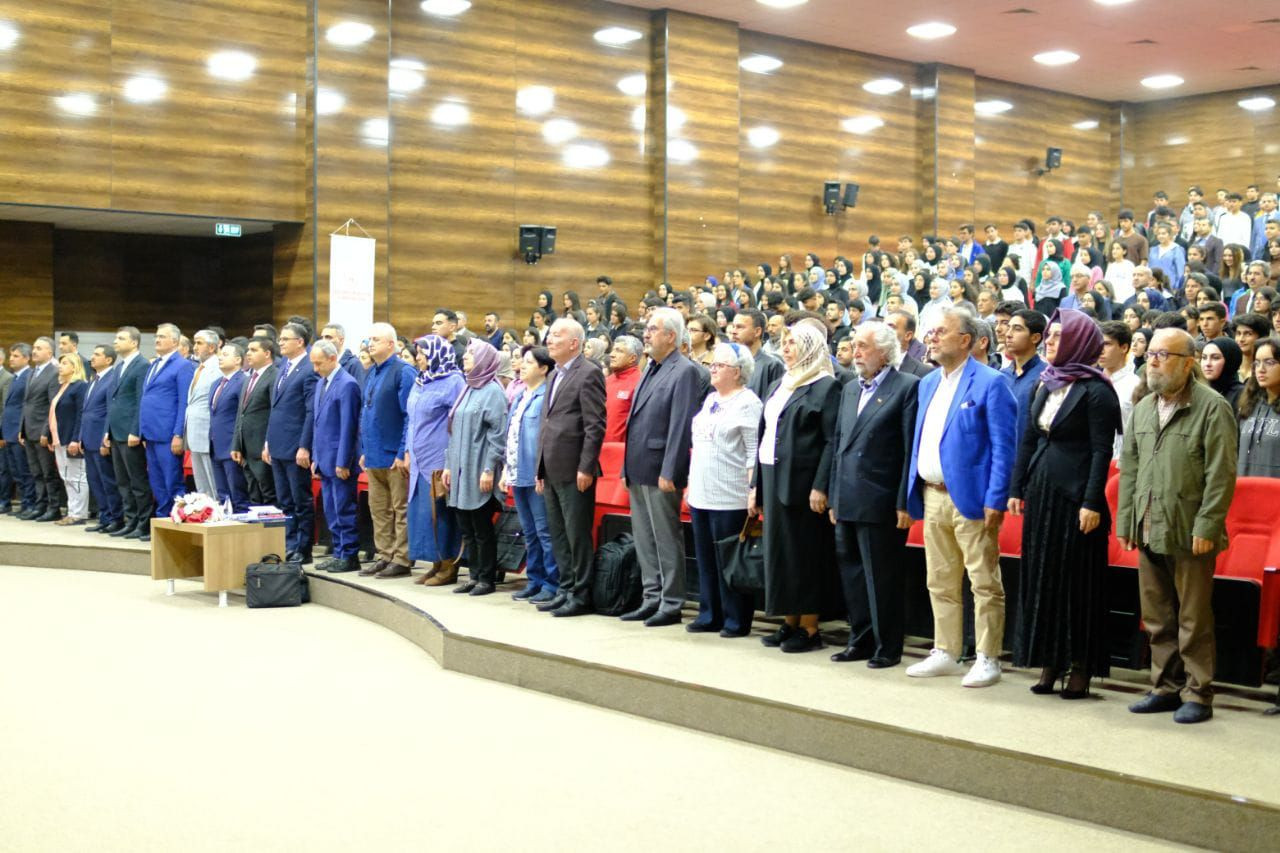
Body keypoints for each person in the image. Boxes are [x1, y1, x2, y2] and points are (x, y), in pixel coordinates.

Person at [1118, 328, 1236, 724]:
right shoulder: (1144, 408)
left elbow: (1221, 474)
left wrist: (1208, 525)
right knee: (1157, 617)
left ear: (1188, 363)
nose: (1152, 361)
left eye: (1163, 355)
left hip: (1190, 529)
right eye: (1151, 353)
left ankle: (1198, 693)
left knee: (1193, 618)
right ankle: (1165, 687)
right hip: (1149, 525)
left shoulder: (1212, 407)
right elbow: (1130, 469)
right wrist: (1127, 521)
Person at [1007, 310, 1121, 698]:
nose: (1050, 341)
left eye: (1058, 336)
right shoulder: (1046, 383)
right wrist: (1017, 487)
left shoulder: (1097, 390)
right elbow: (1029, 438)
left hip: (1077, 497)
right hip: (1042, 490)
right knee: (1044, 577)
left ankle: (1081, 667)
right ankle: (1049, 660)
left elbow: (1101, 450)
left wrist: (1092, 501)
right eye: (1050, 335)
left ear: (1077, 342)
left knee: (1076, 583)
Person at [905, 308, 1017, 686]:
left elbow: (1004, 447)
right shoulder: (926, 383)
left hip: (972, 497)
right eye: (930, 332)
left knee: (983, 582)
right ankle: (946, 651)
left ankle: (987, 656)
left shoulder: (991, 383)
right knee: (939, 579)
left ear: (966, 340)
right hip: (932, 493)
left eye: (941, 331)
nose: (932, 338)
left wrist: (996, 498)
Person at [827, 323, 919, 668]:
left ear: (884, 351)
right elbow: (839, 445)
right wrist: (834, 494)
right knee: (852, 574)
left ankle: (888, 645)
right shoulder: (850, 388)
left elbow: (909, 450)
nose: (856, 352)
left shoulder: (906, 386)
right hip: (847, 496)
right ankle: (861, 639)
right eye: (854, 345)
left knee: (882, 577)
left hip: (880, 498)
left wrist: (904, 501)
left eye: (863, 346)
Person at [749, 322, 841, 653]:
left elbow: (831, 441)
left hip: (804, 483)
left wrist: (821, 485)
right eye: (784, 343)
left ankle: (810, 627)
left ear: (811, 348)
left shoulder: (826, 386)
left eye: (793, 343)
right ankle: (789, 621)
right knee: (782, 554)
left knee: (806, 553)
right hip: (773, 475)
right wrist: (756, 485)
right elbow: (764, 435)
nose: (785, 348)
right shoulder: (780, 383)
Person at [620, 307, 703, 627]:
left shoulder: (684, 371)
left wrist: (671, 469)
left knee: (665, 538)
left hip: (661, 469)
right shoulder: (650, 367)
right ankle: (651, 596)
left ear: (671, 336)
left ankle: (671, 601)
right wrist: (626, 466)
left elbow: (681, 425)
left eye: (653, 329)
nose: (646, 333)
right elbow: (635, 420)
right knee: (644, 537)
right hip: (639, 465)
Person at [686, 342, 761, 636]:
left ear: (738, 372)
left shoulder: (748, 403)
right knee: (705, 559)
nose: (713, 369)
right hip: (701, 492)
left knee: (729, 560)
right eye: (712, 364)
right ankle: (709, 613)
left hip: (730, 495)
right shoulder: (710, 399)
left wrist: (753, 489)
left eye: (720, 365)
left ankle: (735, 619)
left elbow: (753, 452)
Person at [536, 318, 607, 617]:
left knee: (577, 535)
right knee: (559, 534)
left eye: (556, 335)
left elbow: (595, 426)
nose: (549, 340)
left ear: (574, 343)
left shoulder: (588, 372)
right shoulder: (554, 374)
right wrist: (539, 468)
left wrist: (586, 467)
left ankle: (581, 593)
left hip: (574, 468)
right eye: (549, 335)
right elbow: (547, 422)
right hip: (551, 467)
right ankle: (565, 588)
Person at [443, 340, 507, 596]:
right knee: (466, 527)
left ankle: (486, 579)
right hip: (460, 469)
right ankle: (473, 575)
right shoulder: (468, 387)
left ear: (484, 360)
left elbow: (498, 435)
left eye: (471, 353)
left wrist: (489, 469)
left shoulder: (493, 391)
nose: (465, 357)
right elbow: (452, 432)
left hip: (479, 469)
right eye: (466, 352)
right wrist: (448, 466)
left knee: (482, 528)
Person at [405, 335, 466, 585]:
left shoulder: (454, 381)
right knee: (423, 515)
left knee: (441, 514)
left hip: (438, 460)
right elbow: (411, 419)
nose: (418, 357)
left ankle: (449, 565)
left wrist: (451, 460)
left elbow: (457, 423)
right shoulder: (420, 380)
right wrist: (407, 451)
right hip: (418, 460)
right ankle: (435, 563)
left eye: (423, 353)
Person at [358, 322, 417, 579]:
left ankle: (402, 558)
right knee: (379, 510)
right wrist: (364, 449)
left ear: (391, 344)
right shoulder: (372, 371)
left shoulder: (403, 372)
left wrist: (402, 451)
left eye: (376, 340)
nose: (370, 344)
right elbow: (368, 412)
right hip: (374, 453)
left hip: (394, 454)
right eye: (369, 340)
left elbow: (409, 416)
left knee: (400, 509)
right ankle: (385, 555)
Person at [501, 346, 559, 602]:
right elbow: (511, 437)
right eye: (521, 361)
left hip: (536, 474)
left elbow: (546, 440)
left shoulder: (547, 397)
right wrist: (505, 469)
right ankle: (534, 580)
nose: (522, 366)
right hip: (517, 472)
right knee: (529, 531)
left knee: (545, 531)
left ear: (544, 368)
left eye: (529, 362)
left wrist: (542, 471)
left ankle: (552, 583)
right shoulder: (520, 396)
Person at [303, 341, 362, 573]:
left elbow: (349, 426)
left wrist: (343, 461)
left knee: (344, 509)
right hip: (324, 458)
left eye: (319, 363)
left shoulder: (347, 384)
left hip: (339, 460)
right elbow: (318, 423)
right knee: (331, 510)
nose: (315, 369)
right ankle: (338, 551)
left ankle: (349, 554)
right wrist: (316, 457)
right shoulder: (321, 383)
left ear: (332, 358)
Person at [265, 323, 318, 563]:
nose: (281, 342)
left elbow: (310, 411)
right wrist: (268, 441)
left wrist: (305, 446)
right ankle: (289, 544)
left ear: (300, 342)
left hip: (296, 446)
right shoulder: (283, 366)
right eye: (281, 338)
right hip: (278, 444)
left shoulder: (308, 369)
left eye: (286, 339)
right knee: (284, 501)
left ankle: (303, 549)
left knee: (300, 501)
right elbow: (275, 408)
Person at [139, 324, 195, 520]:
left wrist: (178, 434)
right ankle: (162, 521)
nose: (157, 339)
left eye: (162, 336)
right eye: (156, 336)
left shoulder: (183, 365)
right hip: (151, 433)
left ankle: (177, 520)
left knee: (172, 482)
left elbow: (183, 402)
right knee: (157, 483)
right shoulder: (154, 364)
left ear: (175, 341)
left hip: (168, 433)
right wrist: (142, 431)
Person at [104, 327, 152, 537]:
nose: (116, 341)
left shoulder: (142, 365)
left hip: (130, 433)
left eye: (121, 338)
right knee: (123, 482)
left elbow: (141, 400)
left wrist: (136, 430)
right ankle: (130, 521)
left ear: (134, 343)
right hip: (116, 432)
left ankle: (144, 523)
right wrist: (107, 430)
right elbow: (113, 401)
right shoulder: (119, 367)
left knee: (137, 481)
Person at [76, 344, 123, 533]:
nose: (92, 358)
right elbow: (86, 411)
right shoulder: (94, 379)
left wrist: (106, 436)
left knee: (107, 481)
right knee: (95, 481)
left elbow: (110, 411)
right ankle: (104, 517)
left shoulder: (112, 379)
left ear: (109, 360)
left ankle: (115, 518)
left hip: (100, 439)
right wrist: (80, 436)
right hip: (88, 438)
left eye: (97, 354)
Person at [232, 337, 279, 507]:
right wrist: (236, 444)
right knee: (253, 494)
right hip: (246, 448)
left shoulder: (274, 376)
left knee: (268, 494)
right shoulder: (249, 378)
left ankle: (272, 525)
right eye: (248, 350)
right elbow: (241, 413)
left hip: (262, 447)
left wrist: (268, 443)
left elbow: (275, 412)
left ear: (267, 353)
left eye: (253, 350)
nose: (248, 353)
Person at [20, 336, 63, 522]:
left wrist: (47, 432)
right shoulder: (32, 372)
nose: (34, 351)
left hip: (42, 430)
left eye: (39, 348)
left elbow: (52, 405)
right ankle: (40, 505)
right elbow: (27, 403)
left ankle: (54, 508)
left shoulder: (54, 373)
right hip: (29, 429)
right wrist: (21, 428)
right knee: (36, 472)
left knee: (48, 473)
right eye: (34, 347)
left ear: (49, 352)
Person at [46, 353, 89, 525]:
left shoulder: (80, 386)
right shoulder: (62, 386)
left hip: (71, 438)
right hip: (59, 438)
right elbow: (54, 414)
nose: (60, 366)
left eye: (65, 363)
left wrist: (76, 439)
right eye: (60, 363)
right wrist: (51, 436)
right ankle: (72, 511)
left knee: (77, 477)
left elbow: (80, 414)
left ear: (74, 367)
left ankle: (79, 514)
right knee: (66, 476)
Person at [208, 343, 249, 513]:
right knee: (222, 495)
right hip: (215, 445)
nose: (220, 357)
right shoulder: (216, 383)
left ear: (238, 359)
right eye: (220, 354)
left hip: (232, 446)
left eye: (225, 354)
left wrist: (238, 444)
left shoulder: (243, 381)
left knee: (237, 494)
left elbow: (242, 416)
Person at [183, 330, 221, 499]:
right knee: (201, 484)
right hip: (194, 429)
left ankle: (216, 510)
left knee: (213, 482)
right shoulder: (199, 368)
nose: (195, 347)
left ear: (212, 347)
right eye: (195, 343)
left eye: (199, 343)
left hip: (207, 430)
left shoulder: (218, 367)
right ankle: (204, 509)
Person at [1237, 337, 1280, 478]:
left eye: (1269, 362)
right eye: (1257, 363)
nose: (1261, 369)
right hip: (1245, 488)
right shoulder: (1248, 405)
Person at [1098, 322, 1140, 462]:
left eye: (1107, 344)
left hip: (1123, 461)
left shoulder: (1135, 386)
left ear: (1124, 347)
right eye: (1098, 343)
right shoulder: (1091, 382)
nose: (1100, 350)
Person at [2, 345, 35, 516]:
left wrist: (22, 429)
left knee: (24, 470)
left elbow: (25, 406)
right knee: (15, 471)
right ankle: (24, 503)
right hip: (9, 430)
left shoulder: (28, 376)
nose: (12, 359)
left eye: (16, 356)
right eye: (11, 355)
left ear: (26, 358)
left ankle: (30, 504)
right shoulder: (15, 378)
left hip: (19, 430)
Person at [604, 335, 642, 444]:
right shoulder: (607, 380)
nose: (612, 355)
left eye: (619, 351)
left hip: (622, 450)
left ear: (632, 358)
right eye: (613, 350)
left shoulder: (640, 383)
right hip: (599, 448)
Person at [1201, 338, 1244, 411]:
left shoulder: (1242, 394)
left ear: (1229, 361)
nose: (1207, 364)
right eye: (1204, 357)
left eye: (1215, 358)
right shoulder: (1198, 391)